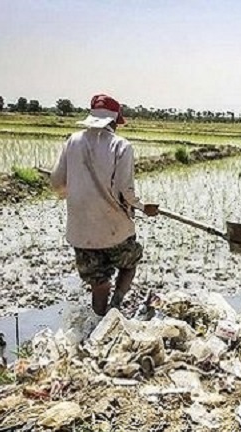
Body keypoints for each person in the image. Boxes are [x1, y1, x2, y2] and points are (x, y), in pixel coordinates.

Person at [50, 94, 158, 316]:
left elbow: (57, 183)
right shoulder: (121, 146)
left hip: (81, 231)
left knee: (98, 280)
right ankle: (116, 304)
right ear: (114, 121)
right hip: (115, 229)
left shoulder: (73, 141)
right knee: (130, 262)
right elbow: (125, 191)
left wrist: (76, 194)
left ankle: (99, 318)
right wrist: (142, 207)